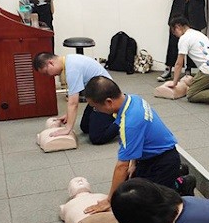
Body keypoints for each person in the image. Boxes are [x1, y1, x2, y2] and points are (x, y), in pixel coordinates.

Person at [83, 77, 195, 214]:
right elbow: (139, 139)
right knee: (129, 191)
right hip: (149, 157)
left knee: (146, 207)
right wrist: (134, 163)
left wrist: (109, 201)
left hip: (163, 161)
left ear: (108, 102)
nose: (96, 110)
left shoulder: (130, 123)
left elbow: (121, 166)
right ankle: (176, 173)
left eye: (95, 107)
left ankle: (181, 183)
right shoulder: (133, 99)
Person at [33, 52, 119, 145]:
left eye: (46, 72)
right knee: (85, 127)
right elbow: (73, 97)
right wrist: (68, 115)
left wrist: (67, 129)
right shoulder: (69, 61)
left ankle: (123, 119)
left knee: (97, 138)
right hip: (96, 96)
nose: (49, 76)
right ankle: (112, 117)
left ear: (51, 63)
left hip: (106, 99)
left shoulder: (72, 69)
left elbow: (73, 103)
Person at [158, 0, 206, 82]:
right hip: (178, 13)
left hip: (193, 14)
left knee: (191, 42)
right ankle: (168, 69)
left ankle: (188, 70)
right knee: (174, 42)